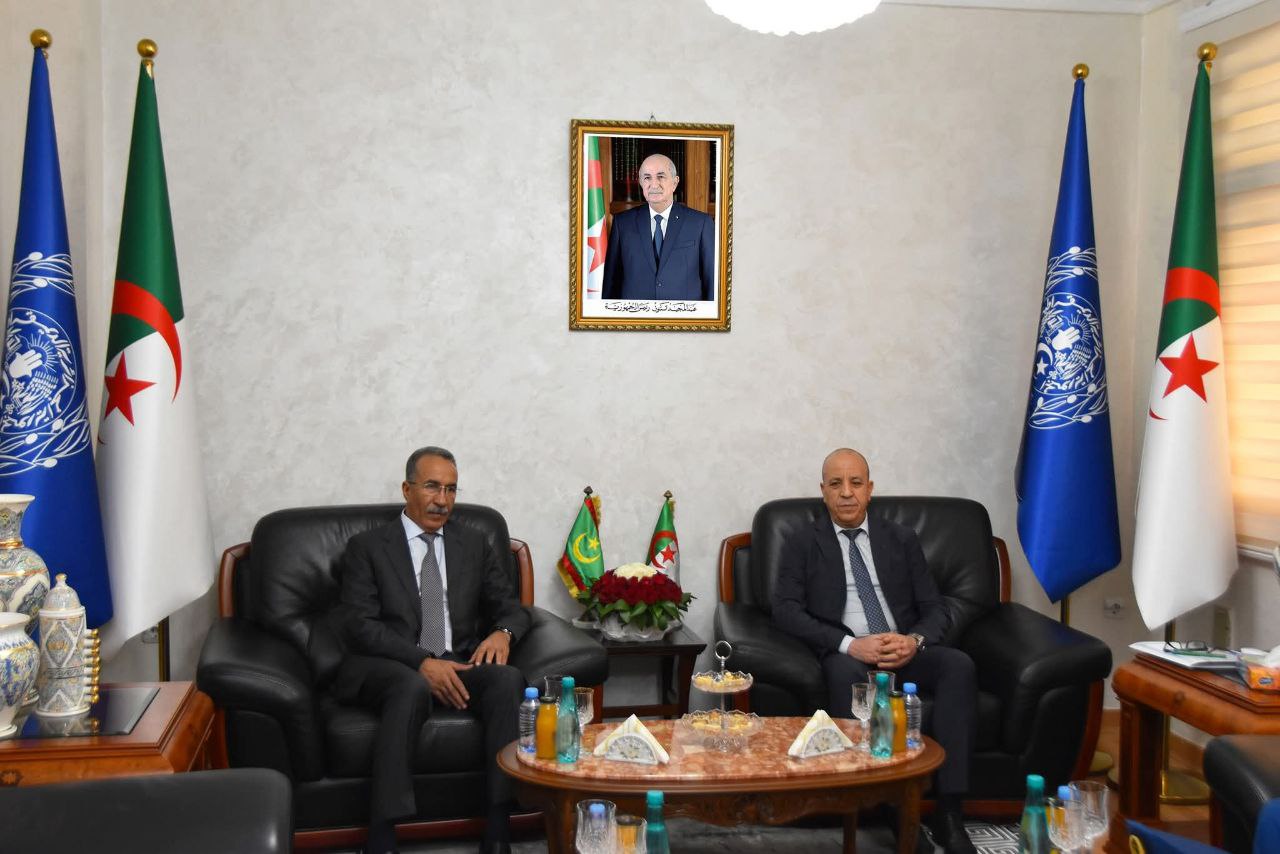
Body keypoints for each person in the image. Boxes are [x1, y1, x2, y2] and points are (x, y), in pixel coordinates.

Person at [771, 448, 978, 854]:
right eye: (836, 484)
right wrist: (851, 644)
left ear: (870, 489)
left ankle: (950, 813)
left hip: (903, 648)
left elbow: (935, 607)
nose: (846, 492)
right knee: (844, 676)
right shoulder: (803, 542)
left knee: (958, 665)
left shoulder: (901, 538)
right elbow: (785, 611)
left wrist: (913, 640)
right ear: (823, 491)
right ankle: (893, 812)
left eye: (855, 483)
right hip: (847, 653)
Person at [333, 446, 530, 854]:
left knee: (506, 680)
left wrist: (503, 633)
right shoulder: (367, 547)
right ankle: (382, 835)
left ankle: (498, 829)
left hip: (457, 660)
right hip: (389, 663)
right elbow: (360, 625)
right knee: (410, 687)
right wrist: (421, 660)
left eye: (451, 489)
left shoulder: (473, 543)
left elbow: (510, 607)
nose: (443, 500)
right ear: (407, 489)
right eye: (432, 487)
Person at [601, 153, 715, 302]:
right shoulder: (622, 224)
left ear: (675, 182)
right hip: (635, 315)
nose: (654, 184)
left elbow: (712, 282)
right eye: (647, 178)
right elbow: (611, 283)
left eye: (661, 177)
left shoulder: (700, 223)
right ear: (641, 183)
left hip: (684, 315)